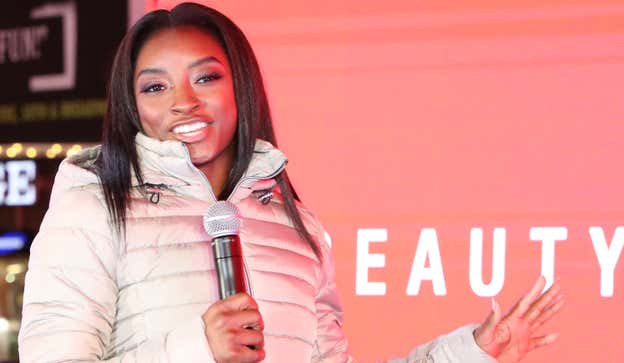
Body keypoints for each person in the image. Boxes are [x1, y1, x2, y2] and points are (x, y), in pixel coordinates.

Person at [18, 2, 564, 362]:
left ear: (241, 86)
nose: (183, 102)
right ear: (131, 105)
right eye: (154, 88)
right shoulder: (93, 209)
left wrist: (468, 352)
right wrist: (197, 350)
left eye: (205, 77)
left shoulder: (295, 227)